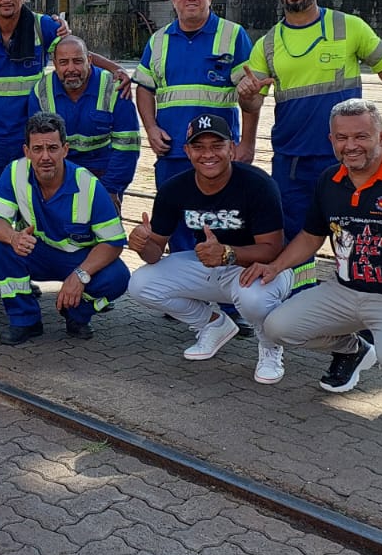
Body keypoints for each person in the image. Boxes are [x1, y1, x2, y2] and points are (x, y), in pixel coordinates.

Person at [241, 99, 382, 418]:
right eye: (342, 138)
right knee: (278, 327)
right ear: (331, 140)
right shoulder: (329, 180)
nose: (351, 146)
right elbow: (311, 236)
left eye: (361, 136)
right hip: (345, 291)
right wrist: (275, 266)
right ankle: (353, 350)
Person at [0, 0, 130, 305]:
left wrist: (114, 68)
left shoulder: (43, 26)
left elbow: (71, 54)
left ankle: (69, 278)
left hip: (32, 132)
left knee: (37, 206)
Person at [234, 0, 382, 236]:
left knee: (359, 233)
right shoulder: (267, 44)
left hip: (348, 155)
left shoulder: (349, 27)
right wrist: (247, 98)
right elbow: (253, 105)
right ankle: (301, 269)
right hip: (293, 160)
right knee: (293, 235)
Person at [124, 114, 290, 383]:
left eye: (217, 145)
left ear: (231, 148)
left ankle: (270, 345)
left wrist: (228, 253)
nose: (208, 154)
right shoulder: (174, 188)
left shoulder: (257, 184)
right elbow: (154, 253)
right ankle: (213, 324)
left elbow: (273, 249)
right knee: (141, 283)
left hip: (261, 267)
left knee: (254, 300)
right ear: (187, 151)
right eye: (199, 147)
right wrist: (142, 245)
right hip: (212, 263)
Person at [0, 111, 129, 345]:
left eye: (52, 148)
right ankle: (25, 320)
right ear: (26, 151)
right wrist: (13, 237)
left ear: (65, 149)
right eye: (37, 149)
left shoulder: (88, 185)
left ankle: (76, 313)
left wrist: (80, 275)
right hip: (36, 253)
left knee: (118, 276)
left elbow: (113, 242)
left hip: (77, 258)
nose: (45, 157)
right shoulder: (14, 172)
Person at [134, 0, 256, 187]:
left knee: (221, 209)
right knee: (172, 209)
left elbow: (251, 94)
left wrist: (247, 144)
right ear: (174, 0)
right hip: (172, 152)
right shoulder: (158, 40)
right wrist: (151, 128)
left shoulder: (234, 35)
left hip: (218, 154)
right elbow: (144, 88)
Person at [26, 35, 139, 203]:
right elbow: (39, 150)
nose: (71, 69)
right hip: (60, 175)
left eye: (78, 61)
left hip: (103, 172)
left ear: (89, 60)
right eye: (63, 62)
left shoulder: (114, 88)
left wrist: (110, 189)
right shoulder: (41, 91)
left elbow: (127, 147)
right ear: (55, 64)